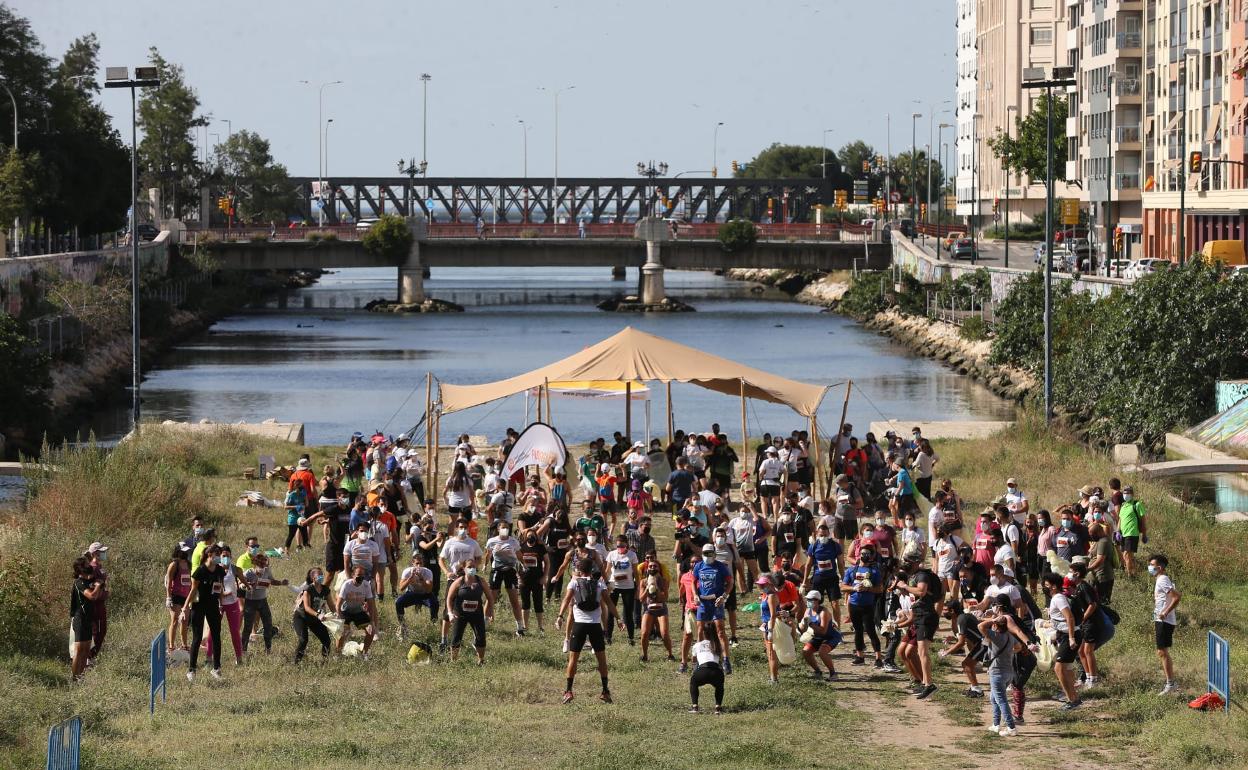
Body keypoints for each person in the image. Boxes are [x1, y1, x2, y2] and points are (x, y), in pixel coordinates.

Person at [557, 559, 623, 704]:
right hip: (595, 626)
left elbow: (566, 600)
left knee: (573, 659)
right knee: (602, 660)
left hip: (579, 625)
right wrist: (618, 619)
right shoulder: (599, 583)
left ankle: (568, 691)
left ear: (579, 570)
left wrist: (560, 616)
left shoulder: (574, 583)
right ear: (592, 569)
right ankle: (605, 691)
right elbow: (609, 603)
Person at [978, 598, 1032, 737]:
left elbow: (981, 626)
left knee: (1001, 700)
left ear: (996, 626)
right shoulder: (1009, 636)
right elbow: (1019, 647)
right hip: (1009, 672)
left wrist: (993, 619)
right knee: (993, 698)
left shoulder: (995, 636)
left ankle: (1011, 727)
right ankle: (996, 724)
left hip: (997, 673)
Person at [899, 556, 943, 699]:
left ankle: (929, 685)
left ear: (917, 562)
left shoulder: (922, 575)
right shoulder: (913, 576)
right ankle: (924, 682)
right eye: (904, 560)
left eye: (909, 561)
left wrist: (905, 587)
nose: (906, 563)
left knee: (922, 652)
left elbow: (921, 591)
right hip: (918, 617)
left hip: (926, 616)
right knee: (913, 651)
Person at [180, 546, 224, 681]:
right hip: (199, 606)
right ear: (209, 554)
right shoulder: (200, 570)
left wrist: (221, 604)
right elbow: (193, 591)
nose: (219, 557)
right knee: (197, 638)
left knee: (216, 637)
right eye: (217, 554)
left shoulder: (220, 570)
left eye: (220, 554)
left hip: (213, 606)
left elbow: (220, 587)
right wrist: (185, 608)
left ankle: (216, 669)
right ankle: (192, 670)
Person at [691, 543, 734, 674]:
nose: (708, 556)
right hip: (703, 602)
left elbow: (730, 582)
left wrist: (724, 596)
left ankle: (726, 660)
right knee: (700, 631)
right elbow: (693, 581)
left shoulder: (720, 567)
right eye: (705, 554)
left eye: (710, 553)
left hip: (716, 601)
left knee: (720, 630)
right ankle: (700, 660)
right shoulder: (699, 566)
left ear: (714, 554)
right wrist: (695, 595)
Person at [1042, 572, 1082, 709]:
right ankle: (1074, 697)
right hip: (1065, 634)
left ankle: (1072, 700)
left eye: (1047, 585)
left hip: (1070, 635)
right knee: (1067, 668)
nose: (1045, 588)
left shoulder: (1058, 598)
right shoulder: (1056, 598)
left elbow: (1069, 618)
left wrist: (1071, 638)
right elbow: (1060, 620)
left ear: (1053, 587)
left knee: (1058, 668)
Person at [840, 543, 883, 667]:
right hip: (854, 605)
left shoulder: (874, 571)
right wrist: (854, 588)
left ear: (871, 556)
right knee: (858, 631)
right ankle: (860, 656)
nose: (865, 556)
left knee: (870, 631)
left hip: (868, 606)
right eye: (863, 553)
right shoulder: (851, 570)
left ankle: (878, 658)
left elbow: (879, 589)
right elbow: (843, 587)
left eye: (867, 554)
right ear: (859, 555)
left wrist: (868, 589)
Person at [445, 564, 495, 664]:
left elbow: (490, 597)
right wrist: (450, 613)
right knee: (456, 637)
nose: (472, 569)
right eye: (469, 567)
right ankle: (453, 662)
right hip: (460, 614)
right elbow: (449, 598)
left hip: (476, 614)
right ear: (464, 568)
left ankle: (481, 661)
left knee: (481, 637)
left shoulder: (481, 581)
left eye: (473, 567)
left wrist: (491, 611)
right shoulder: (459, 581)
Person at [241, 551, 288, 655]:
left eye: (264, 562)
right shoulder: (249, 572)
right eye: (260, 563)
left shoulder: (267, 571)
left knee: (268, 624)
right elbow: (240, 583)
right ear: (255, 563)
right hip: (250, 602)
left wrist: (281, 583)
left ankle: (268, 650)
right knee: (248, 626)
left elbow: (272, 581)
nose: (263, 565)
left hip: (263, 601)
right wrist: (247, 585)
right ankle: (243, 650)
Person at [484, 523, 526, 636]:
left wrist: (523, 565)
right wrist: (485, 565)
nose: (505, 529)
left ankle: (520, 627)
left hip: (510, 571)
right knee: (491, 597)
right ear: (498, 529)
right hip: (496, 570)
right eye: (503, 527)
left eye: (507, 528)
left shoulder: (513, 541)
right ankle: (484, 624)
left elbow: (519, 554)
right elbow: (488, 554)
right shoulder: (492, 541)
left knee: (514, 599)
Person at [1149, 554, 1181, 695]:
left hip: (1165, 621)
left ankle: (1170, 684)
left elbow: (1177, 596)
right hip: (1160, 619)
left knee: (1162, 652)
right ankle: (1170, 683)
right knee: (1161, 651)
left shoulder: (1162, 579)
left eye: (1152, 564)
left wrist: (1165, 612)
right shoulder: (1160, 579)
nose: (1149, 567)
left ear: (1159, 567)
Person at [939, 600, 983, 697]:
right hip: (982, 643)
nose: (943, 612)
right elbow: (966, 636)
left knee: (967, 664)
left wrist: (946, 652)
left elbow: (961, 643)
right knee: (967, 664)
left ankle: (977, 690)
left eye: (945, 610)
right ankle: (974, 688)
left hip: (983, 644)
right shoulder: (964, 616)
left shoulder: (961, 619)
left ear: (952, 611)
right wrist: (954, 638)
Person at [69, 557, 102, 681]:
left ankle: (80, 677)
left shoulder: (88, 581)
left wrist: (98, 584)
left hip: (88, 619)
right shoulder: (79, 583)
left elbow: (98, 593)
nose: (89, 565)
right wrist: (98, 586)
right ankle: (74, 678)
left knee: (86, 650)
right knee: (79, 650)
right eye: (86, 564)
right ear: (80, 569)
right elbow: (92, 596)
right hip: (80, 619)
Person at [292, 567, 335, 662]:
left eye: (322, 574)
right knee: (303, 640)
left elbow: (331, 605)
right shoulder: (308, 589)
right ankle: (295, 662)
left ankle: (325, 661)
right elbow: (307, 607)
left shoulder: (325, 590)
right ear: (313, 578)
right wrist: (318, 615)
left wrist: (337, 615)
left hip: (314, 619)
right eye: (319, 575)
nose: (321, 577)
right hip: (301, 617)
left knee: (327, 641)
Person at [803, 522, 843, 624]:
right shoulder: (813, 546)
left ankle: (837, 628)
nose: (823, 537)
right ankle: (815, 625)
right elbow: (808, 565)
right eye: (821, 535)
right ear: (817, 534)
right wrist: (804, 581)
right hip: (818, 578)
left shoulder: (835, 545)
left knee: (835, 603)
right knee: (814, 603)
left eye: (825, 535)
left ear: (829, 534)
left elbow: (841, 564)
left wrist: (844, 578)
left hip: (832, 578)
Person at [638, 555, 674, 662]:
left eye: (655, 566)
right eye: (650, 566)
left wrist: (657, 588)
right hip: (648, 609)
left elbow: (665, 598)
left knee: (664, 633)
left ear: (659, 568)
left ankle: (670, 654)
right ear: (647, 569)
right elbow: (641, 599)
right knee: (644, 633)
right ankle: (645, 655)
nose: (652, 568)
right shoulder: (643, 582)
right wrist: (647, 588)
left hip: (661, 609)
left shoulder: (663, 581)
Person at [336, 564, 377, 658]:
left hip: (359, 611)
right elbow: (338, 604)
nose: (361, 578)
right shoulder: (347, 585)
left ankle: (364, 653)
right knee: (342, 632)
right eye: (359, 575)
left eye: (363, 576)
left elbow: (371, 604)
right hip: (345, 612)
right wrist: (339, 618)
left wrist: (372, 621)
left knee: (371, 631)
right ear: (352, 575)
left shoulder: (366, 585)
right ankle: (338, 654)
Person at [798, 589, 840, 681]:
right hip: (818, 636)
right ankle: (818, 671)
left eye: (810, 600)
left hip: (830, 636)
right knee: (806, 652)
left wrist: (811, 624)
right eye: (807, 599)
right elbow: (804, 629)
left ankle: (833, 673)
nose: (808, 601)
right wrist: (802, 626)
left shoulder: (823, 612)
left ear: (817, 600)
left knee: (822, 652)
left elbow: (823, 631)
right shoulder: (808, 610)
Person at [605, 534, 639, 645]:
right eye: (618, 545)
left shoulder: (632, 555)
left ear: (627, 545)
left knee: (628, 613)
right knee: (611, 612)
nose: (620, 548)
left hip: (628, 586)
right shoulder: (611, 554)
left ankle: (631, 638)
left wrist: (637, 588)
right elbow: (607, 570)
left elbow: (636, 573)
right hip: (614, 585)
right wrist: (604, 582)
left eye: (622, 545)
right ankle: (608, 637)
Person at [395, 554, 436, 639]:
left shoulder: (428, 572)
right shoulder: (407, 571)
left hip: (425, 594)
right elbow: (401, 588)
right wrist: (409, 579)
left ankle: (433, 624)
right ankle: (402, 625)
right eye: (417, 563)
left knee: (434, 604)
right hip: (412, 593)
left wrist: (421, 579)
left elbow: (429, 590)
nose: (419, 566)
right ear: (412, 564)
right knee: (398, 602)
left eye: (421, 563)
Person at [164, 544, 193, 653]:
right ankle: (171, 646)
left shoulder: (188, 564)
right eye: (182, 551)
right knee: (175, 620)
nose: (185, 553)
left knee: (185, 621)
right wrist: (168, 597)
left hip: (185, 597)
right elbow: (168, 581)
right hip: (175, 596)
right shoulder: (174, 565)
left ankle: (184, 645)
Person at [84, 542, 110, 662]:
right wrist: (103, 594)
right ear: (95, 553)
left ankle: (91, 657)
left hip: (101, 605)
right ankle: (89, 658)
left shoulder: (99, 567)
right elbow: (91, 590)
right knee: (97, 632)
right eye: (101, 551)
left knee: (102, 631)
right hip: (95, 606)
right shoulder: (92, 568)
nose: (104, 553)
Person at [688, 632, 726, 714]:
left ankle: (695, 707)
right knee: (719, 686)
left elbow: (693, 660)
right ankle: (718, 707)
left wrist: (695, 670)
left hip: (702, 671)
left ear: (703, 633)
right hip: (716, 671)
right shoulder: (718, 644)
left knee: (693, 683)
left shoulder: (697, 645)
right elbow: (722, 660)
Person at [1118, 485, 1147, 577]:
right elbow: (1120, 519)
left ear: (1132, 494)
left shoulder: (1137, 504)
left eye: (1128, 493)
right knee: (1126, 556)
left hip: (1132, 533)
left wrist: (1144, 534)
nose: (1126, 495)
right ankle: (1133, 572)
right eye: (1124, 493)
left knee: (1127, 554)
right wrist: (1118, 531)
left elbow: (1143, 520)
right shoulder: (1123, 505)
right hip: (1123, 533)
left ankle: (1130, 575)